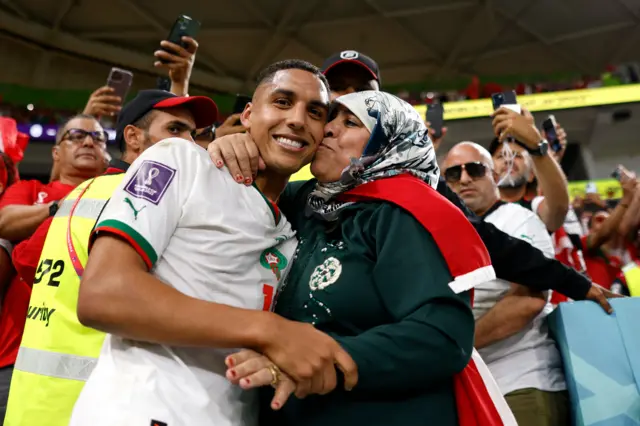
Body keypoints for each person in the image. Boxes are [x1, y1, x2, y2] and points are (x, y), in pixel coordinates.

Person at [209, 51, 616, 312]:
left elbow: (490, 244)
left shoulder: (414, 196)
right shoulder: (303, 174)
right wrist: (226, 146)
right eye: (337, 95)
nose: (348, 100)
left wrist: (574, 283)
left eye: (362, 94)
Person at [69, 60, 357, 426]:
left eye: (315, 111)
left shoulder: (293, 224)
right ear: (249, 115)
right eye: (282, 102)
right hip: (141, 410)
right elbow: (104, 294)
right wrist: (269, 330)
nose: (298, 119)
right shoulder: (181, 159)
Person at [222, 91, 515, 426]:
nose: (327, 130)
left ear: (389, 142)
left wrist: (322, 358)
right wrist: (227, 147)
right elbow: (249, 190)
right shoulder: (308, 204)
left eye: (350, 122)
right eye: (329, 118)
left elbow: (441, 335)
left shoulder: (404, 213)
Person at [3, 89, 218, 426]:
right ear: (133, 137)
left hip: (34, 403)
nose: (189, 145)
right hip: (99, 405)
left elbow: (28, 263)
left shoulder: (81, 194)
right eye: (175, 132)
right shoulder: (149, 199)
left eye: (194, 135)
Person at [442, 142, 568, 426]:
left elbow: (528, 300)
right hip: (470, 385)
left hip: (521, 380)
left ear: (494, 175)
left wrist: (458, 345)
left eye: (474, 170)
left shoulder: (518, 219)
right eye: (452, 174)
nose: (464, 179)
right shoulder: (446, 229)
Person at [0, 114, 107, 420]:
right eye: (75, 135)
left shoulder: (117, 196)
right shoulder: (33, 191)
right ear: (56, 153)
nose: (88, 141)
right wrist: (63, 206)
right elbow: (4, 222)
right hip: (17, 356)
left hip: (89, 358)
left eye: (97, 138)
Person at [488, 108, 569, 232]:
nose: (509, 160)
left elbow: (558, 208)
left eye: (517, 156)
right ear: (490, 171)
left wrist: (536, 143)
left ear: (532, 174)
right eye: (500, 156)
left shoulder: (536, 209)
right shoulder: (478, 211)